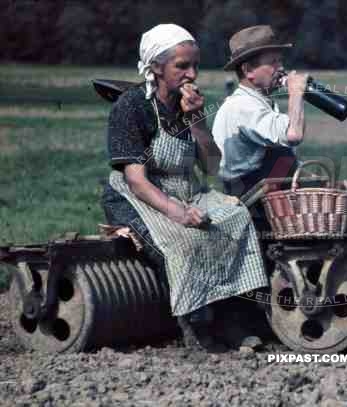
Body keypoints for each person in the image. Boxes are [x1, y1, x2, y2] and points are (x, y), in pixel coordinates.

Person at [101, 24, 268, 350]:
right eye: (181, 66)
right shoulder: (132, 106)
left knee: (235, 218)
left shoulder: (187, 104)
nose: (191, 74)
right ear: (155, 68)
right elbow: (136, 179)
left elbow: (210, 167)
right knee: (184, 241)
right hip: (138, 195)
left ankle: (233, 317)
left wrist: (199, 122)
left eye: (194, 65)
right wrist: (177, 213)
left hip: (185, 187)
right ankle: (195, 324)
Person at [212, 25, 309, 197]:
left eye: (280, 61)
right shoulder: (243, 106)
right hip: (252, 200)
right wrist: (295, 93)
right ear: (248, 70)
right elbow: (293, 135)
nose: (281, 68)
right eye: (273, 62)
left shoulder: (257, 102)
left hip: (265, 191)